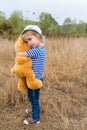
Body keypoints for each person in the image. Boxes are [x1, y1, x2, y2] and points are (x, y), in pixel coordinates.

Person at [16, 25, 46, 125]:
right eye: (26, 42)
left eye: (30, 39)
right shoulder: (41, 49)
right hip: (35, 78)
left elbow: (23, 54)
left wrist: (18, 53)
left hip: (35, 80)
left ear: (37, 36)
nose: (28, 43)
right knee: (33, 97)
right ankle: (34, 109)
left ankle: (35, 118)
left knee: (34, 98)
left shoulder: (37, 50)